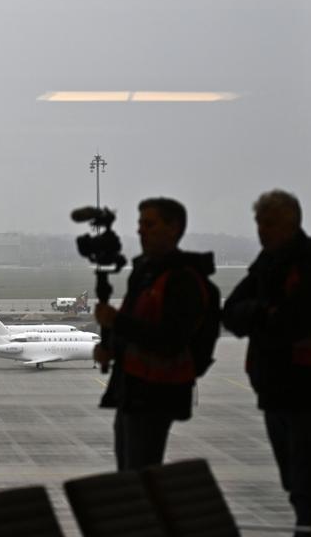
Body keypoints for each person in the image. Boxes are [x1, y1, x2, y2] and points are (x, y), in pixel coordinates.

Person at [223, 190, 311, 537]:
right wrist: (264, 313)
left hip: (308, 388)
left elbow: (292, 322)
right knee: (296, 485)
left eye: (270, 223)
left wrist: (258, 315)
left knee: (306, 486)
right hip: (275, 387)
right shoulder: (268, 264)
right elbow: (231, 313)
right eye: (259, 223)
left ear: (292, 223)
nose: (262, 231)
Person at [93, 197, 213, 471]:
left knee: (140, 480)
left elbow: (170, 340)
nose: (140, 231)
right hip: (132, 391)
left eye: (149, 224)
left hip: (155, 395)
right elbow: (139, 324)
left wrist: (116, 322)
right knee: (130, 476)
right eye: (139, 224)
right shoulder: (146, 274)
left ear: (174, 228)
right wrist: (111, 346)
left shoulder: (181, 279)